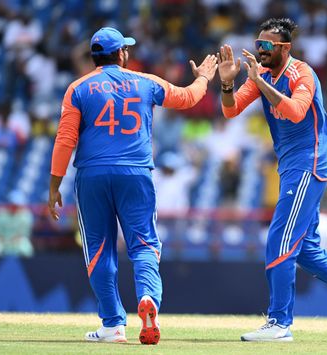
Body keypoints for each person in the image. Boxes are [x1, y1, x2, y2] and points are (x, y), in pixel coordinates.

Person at [217, 18, 327, 343]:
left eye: (266, 46)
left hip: (308, 165)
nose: (260, 51)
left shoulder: (302, 73)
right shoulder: (263, 76)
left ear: (284, 48)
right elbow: (231, 110)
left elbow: (297, 111)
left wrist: (259, 81)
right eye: (258, 45)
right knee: (307, 251)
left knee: (280, 241)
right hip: (290, 168)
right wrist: (228, 84)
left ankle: (280, 323)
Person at [48, 27, 217, 345]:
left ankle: (112, 325)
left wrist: (54, 185)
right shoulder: (146, 82)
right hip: (136, 173)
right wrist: (204, 78)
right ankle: (149, 298)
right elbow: (187, 98)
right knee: (143, 245)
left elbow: (65, 139)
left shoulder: (78, 88)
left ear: (94, 56)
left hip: (93, 175)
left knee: (98, 249)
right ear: (122, 54)